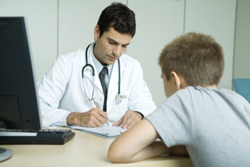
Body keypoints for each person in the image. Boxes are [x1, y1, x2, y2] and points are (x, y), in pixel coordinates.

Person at [108, 32, 250, 167]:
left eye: (163, 80)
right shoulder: (238, 99)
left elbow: (118, 152)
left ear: (176, 80)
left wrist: (169, 148)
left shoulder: (187, 98)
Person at [38, 2, 156, 129]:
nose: (117, 52)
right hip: (76, 143)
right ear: (97, 32)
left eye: (124, 46)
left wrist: (138, 114)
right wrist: (75, 117)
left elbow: (148, 107)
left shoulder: (132, 67)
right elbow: (38, 108)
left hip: (116, 143)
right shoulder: (66, 64)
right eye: (112, 42)